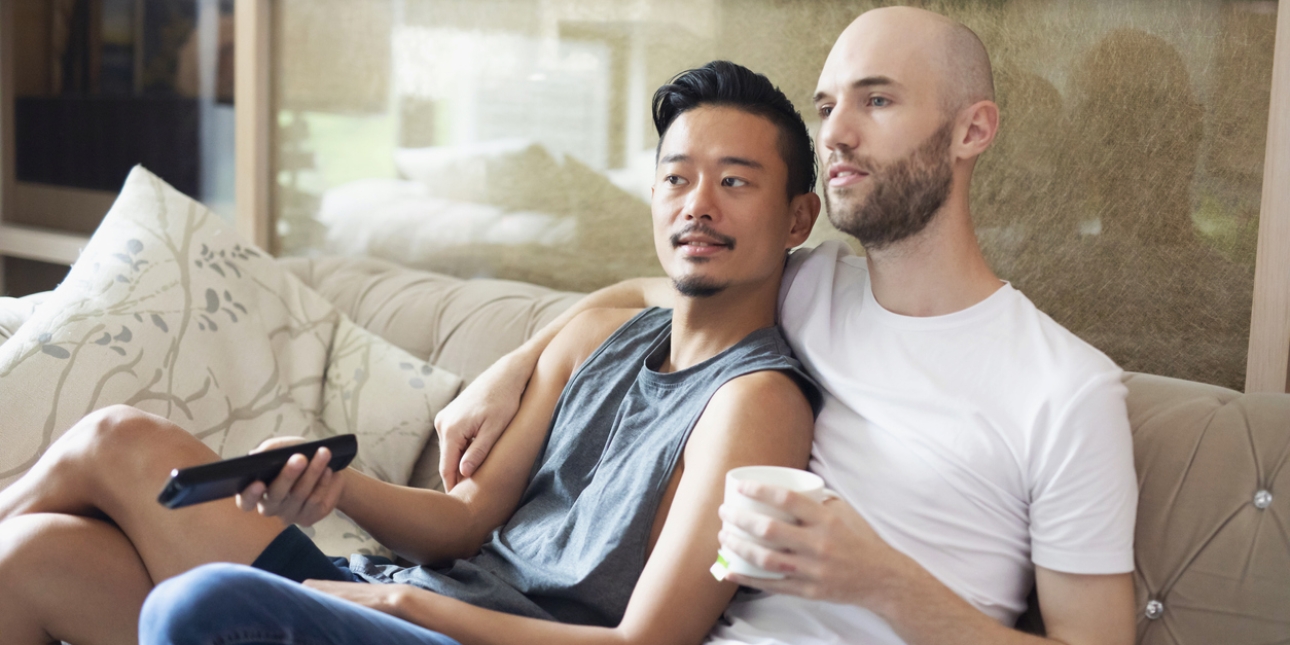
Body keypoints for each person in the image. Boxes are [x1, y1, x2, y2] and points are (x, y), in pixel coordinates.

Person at [0, 61, 823, 645]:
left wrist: (402, 603)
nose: (698, 204)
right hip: (397, 597)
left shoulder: (754, 403)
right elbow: (466, 523)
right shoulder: (596, 335)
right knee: (40, 547)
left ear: (796, 220)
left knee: (196, 606)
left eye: (737, 181)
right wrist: (330, 483)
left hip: (449, 629)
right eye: (678, 178)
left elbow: (647, 642)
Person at [434, 7, 1138, 645]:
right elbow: (643, 292)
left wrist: (882, 580)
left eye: (878, 99)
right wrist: (513, 367)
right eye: (828, 105)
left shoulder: (1066, 389)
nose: (836, 133)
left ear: (971, 130)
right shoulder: (808, 283)